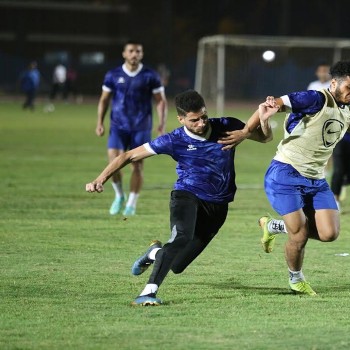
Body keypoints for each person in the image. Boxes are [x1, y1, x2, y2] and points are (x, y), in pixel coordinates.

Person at [85, 90, 270, 306]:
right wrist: (100, 178)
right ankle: (148, 292)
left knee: (177, 265)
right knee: (180, 238)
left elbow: (265, 138)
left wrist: (254, 128)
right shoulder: (173, 140)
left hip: (218, 205)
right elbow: (128, 155)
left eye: (203, 117)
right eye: (194, 120)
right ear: (181, 119)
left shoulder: (227, 125)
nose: (201, 123)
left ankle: (155, 252)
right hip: (186, 195)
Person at [220, 60, 350, 295]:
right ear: (334, 82)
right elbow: (269, 105)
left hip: (316, 180)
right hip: (285, 174)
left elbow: (345, 122)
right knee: (300, 234)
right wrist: (246, 131)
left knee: (329, 234)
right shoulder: (314, 99)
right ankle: (296, 279)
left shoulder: (347, 107)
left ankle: (273, 225)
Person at [96, 40, 168, 216]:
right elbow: (104, 99)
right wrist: (100, 122)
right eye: (131, 51)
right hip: (118, 126)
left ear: (141, 54)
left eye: (138, 51)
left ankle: (131, 204)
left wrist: (161, 124)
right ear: (124, 53)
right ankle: (119, 195)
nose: (134, 54)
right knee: (113, 161)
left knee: (137, 166)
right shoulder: (113, 75)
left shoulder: (150, 75)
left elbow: (161, 101)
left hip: (141, 127)